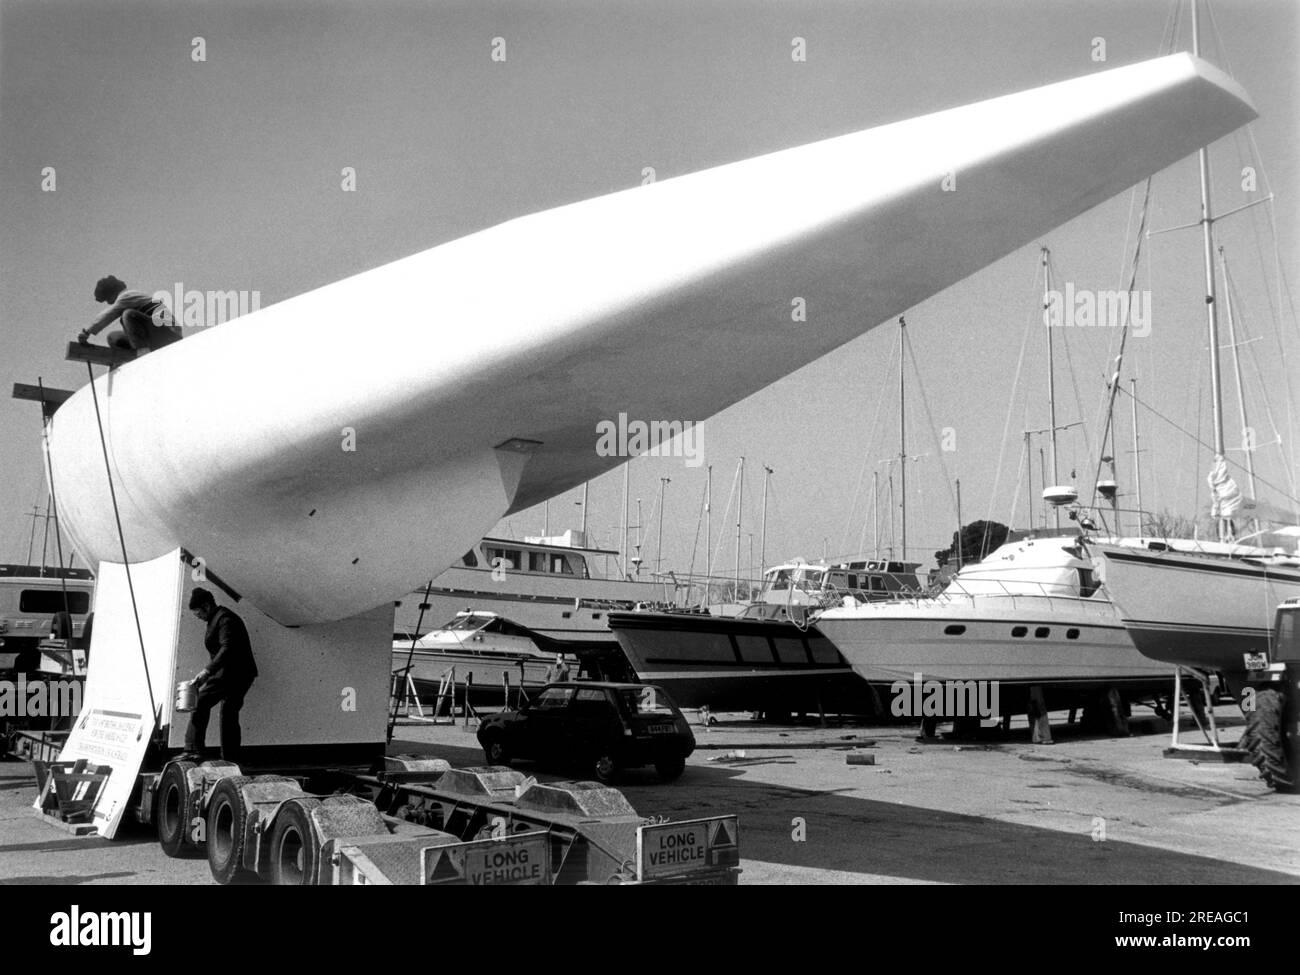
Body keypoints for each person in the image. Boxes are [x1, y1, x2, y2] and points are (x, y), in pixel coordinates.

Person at [182, 588, 258, 762]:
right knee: (229, 713)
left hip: (233, 673)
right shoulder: (217, 618)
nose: (198, 617)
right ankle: (230, 758)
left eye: (198, 613)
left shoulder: (225, 620)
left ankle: (193, 750)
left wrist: (206, 672)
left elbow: (227, 649)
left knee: (200, 701)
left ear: (207, 606)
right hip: (236, 672)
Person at [77, 275, 182, 354]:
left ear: (112, 293)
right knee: (113, 338)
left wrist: (87, 331)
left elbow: (108, 314)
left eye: (108, 299)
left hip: (169, 334)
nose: (109, 302)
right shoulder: (127, 298)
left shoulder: (127, 296)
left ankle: (143, 354)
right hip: (156, 336)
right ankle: (129, 359)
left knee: (128, 315)